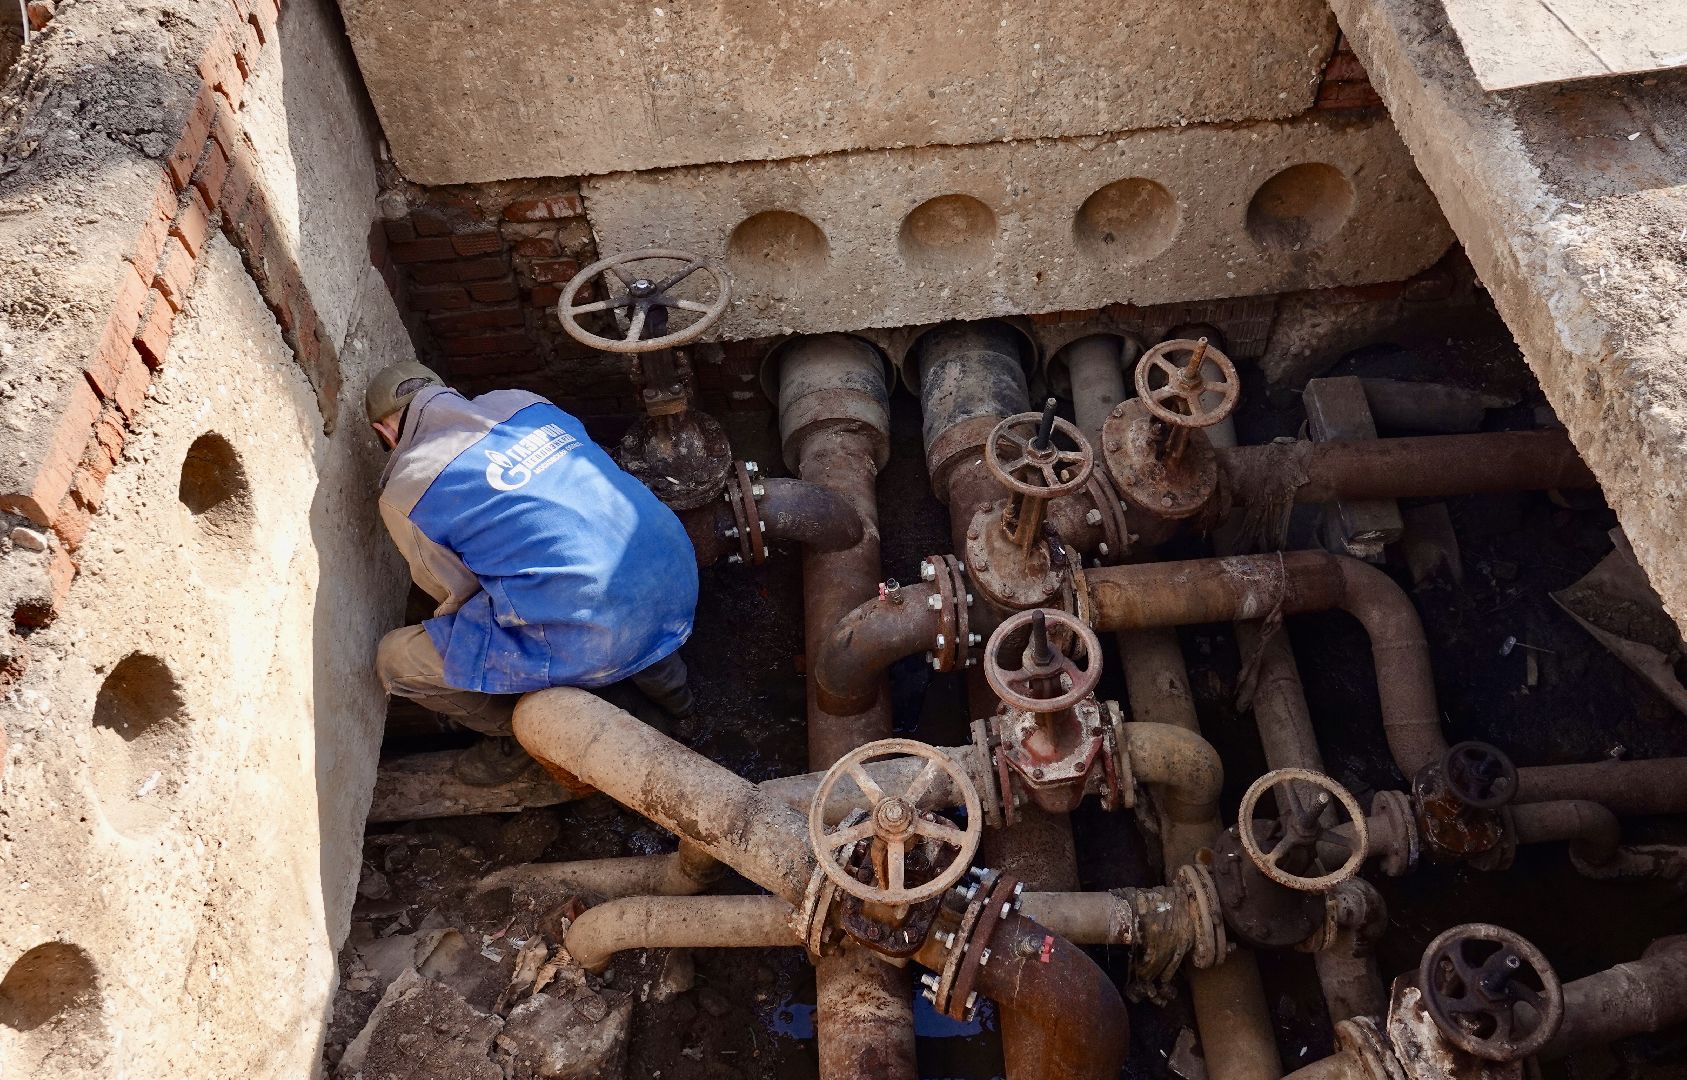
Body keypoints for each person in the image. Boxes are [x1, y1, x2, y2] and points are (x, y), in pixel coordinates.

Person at [366, 362, 699, 784]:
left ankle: (533, 736)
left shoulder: (407, 489)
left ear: (385, 434)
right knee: (611, 588)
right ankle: (683, 708)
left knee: (395, 660)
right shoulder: (524, 402)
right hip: (676, 575)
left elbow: (455, 595)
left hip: (597, 635)